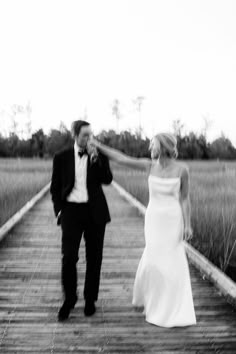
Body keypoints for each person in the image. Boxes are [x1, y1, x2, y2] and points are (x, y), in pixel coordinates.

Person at [90, 132, 196, 327]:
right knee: (154, 261)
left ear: (163, 147)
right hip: (154, 219)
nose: (150, 149)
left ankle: (173, 307)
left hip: (173, 220)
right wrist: (97, 144)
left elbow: (185, 198)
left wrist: (188, 224)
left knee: (172, 261)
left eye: (153, 145)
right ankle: (154, 301)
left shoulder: (182, 170)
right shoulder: (149, 166)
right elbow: (121, 158)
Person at [50, 120, 113, 321]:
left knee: (94, 258)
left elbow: (108, 179)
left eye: (91, 134)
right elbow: (55, 187)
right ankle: (69, 300)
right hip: (71, 212)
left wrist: (96, 159)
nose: (89, 138)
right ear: (75, 135)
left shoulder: (98, 155)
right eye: (85, 135)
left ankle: (90, 300)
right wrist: (59, 211)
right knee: (69, 257)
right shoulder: (61, 157)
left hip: (95, 212)